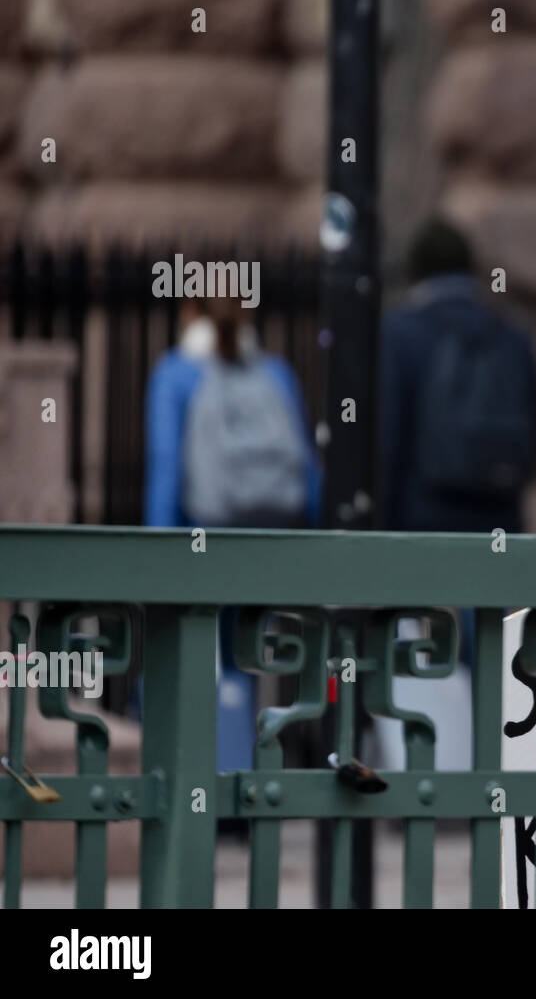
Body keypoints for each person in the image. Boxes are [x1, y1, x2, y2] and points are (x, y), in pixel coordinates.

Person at [144, 295, 320, 778]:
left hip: (199, 544)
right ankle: (242, 781)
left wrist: (155, 557)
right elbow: (306, 469)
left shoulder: (176, 374)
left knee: (197, 659)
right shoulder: (275, 373)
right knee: (244, 658)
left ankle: (200, 785)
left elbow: (165, 471)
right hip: (261, 544)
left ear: (188, 314)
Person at [379, 217, 536, 675]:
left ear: (416, 271)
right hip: (495, 511)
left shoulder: (400, 332)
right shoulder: (510, 333)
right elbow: (535, 429)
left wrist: (383, 522)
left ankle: (424, 738)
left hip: (421, 514)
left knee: (412, 644)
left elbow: (388, 435)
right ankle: (491, 735)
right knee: (488, 634)